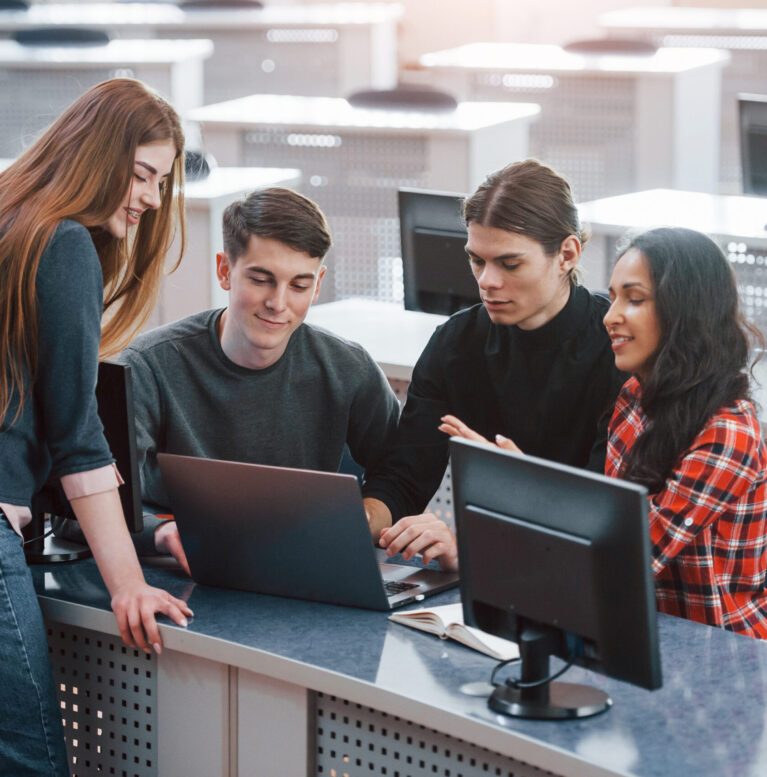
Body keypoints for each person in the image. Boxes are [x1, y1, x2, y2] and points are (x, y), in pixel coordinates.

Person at [0, 79, 193, 777]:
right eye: (140, 173)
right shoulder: (61, 243)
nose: (147, 197)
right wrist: (128, 585)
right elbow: (77, 434)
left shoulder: (10, 214)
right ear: (96, 154)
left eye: (160, 182)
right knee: (31, 759)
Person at [118, 187, 401, 570]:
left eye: (299, 285)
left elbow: (399, 476)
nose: (278, 303)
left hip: (301, 564)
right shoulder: (148, 366)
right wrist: (160, 533)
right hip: (180, 568)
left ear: (317, 285)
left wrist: (365, 518)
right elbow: (82, 508)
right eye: (261, 279)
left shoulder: (348, 368)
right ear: (224, 271)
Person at [365, 159, 627, 570]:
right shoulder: (456, 343)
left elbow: (602, 517)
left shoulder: (617, 351)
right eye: (477, 260)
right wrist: (361, 519)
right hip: (497, 574)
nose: (486, 280)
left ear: (567, 254)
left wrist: (470, 544)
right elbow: (405, 477)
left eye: (509, 263)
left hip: (583, 576)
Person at [603, 227, 767, 638]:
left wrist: (532, 499)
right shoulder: (634, 396)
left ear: (685, 311)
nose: (610, 316)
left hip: (723, 652)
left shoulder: (728, 431)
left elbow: (627, 556)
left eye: (634, 299)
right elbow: (611, 521)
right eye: (612, 298)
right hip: (651, 630)